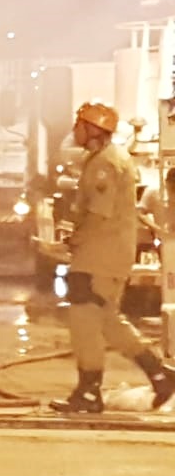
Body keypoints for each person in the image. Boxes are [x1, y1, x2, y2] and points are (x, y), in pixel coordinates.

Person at [53, 102, 175, 413]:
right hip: (107, 256)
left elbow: (97, 213)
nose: (74, 130)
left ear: (92, 129)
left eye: (78, 124)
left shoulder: (106, 163)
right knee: (109, 322)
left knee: (85, 322)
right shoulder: (104, 159)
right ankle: (160, 376)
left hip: (97, 258)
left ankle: (89, 391)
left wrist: (74, 240)